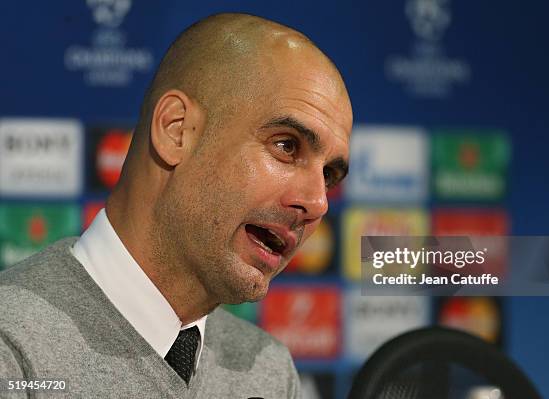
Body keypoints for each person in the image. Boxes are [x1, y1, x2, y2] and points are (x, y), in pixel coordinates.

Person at [0, 13, 352, 398]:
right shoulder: (12, 345)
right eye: (286, 146)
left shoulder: (268, 369)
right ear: (176, 131)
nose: (318, 202)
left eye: (330, 175)